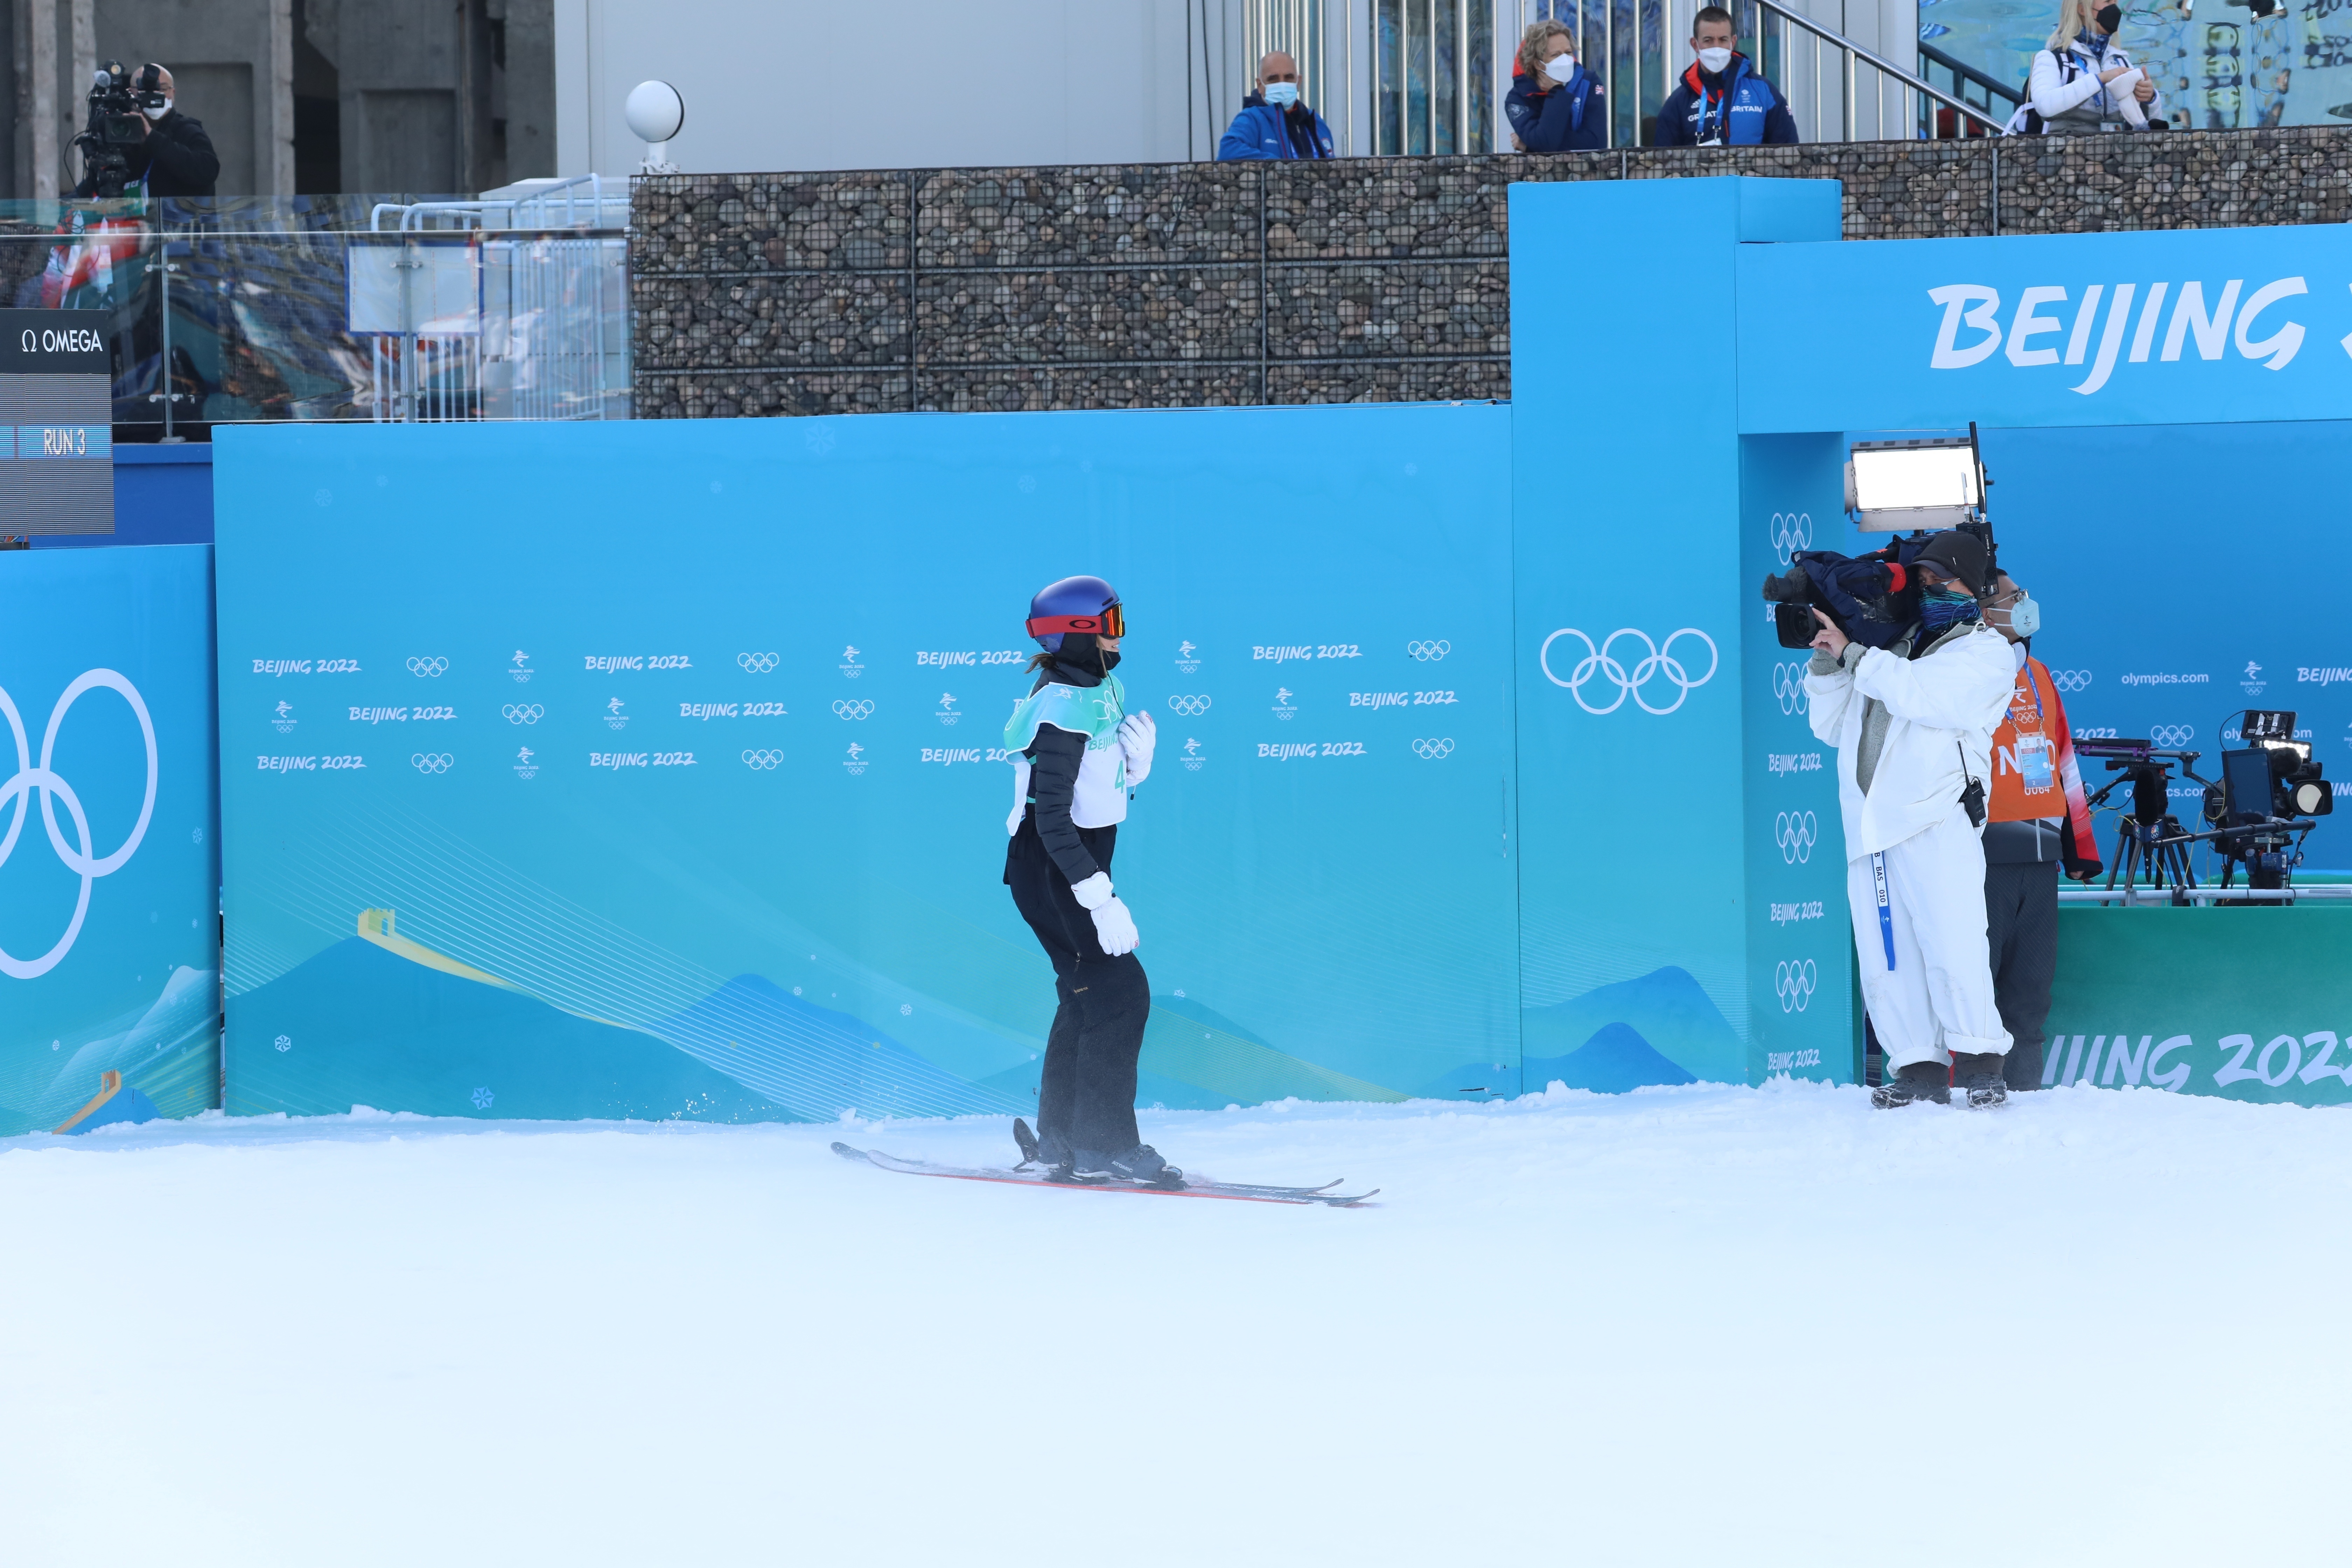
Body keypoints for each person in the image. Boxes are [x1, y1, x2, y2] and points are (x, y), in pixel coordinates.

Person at [1804, 531, 2017, 1108]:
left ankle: (1979, 1061)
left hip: (1936, 819)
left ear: (1972, 589)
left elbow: (1927, 699)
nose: (1928, 591)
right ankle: (1917, 1066)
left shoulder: (1986, 653)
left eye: (1940, 581)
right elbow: (1832, 728)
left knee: (1953, 943)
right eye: (1921, 581)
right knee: (1885, 957)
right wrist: (1829, 663)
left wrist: (1856, 656)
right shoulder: (1889, 652)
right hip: (1870, 826)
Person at [1002, 575, 1172, 1183]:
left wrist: (1136, 772)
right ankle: (1105, 1144)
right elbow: (1050, 819)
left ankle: (1062, 1140)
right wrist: (1100, 899)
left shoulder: (1096, 689)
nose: (1118, 639)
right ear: (1079, 633)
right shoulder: (1062, 708)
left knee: (1087, 999)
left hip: (1066, 865)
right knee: (1120, 995)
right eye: (1111, 626)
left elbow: (1089, 793)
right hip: (1054, 870)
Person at [1980, 570, 2102, 1092]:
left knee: (2031, 991)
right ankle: (1969, 1093)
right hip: (1979, 858)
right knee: (1974, 989)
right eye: (2013, 598)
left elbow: (2064, 763)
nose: (2026, 604)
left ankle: (2025, 1096)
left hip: (2041, 858)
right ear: (1985, 613)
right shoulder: (1955, 676)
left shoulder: (2042, 675)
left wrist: (2079, 846)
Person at [2004, 0, 2161, 134]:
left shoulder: (2120, 60)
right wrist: (2100, 79)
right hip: (2067, 159)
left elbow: (2150, 123)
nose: (2114, 9)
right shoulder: (2052, 58)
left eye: (2115, 2)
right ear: (2082, 9)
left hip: (2116, 158)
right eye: (2107, 1)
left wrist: (2150, 98)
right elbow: (2045, 106)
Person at [1653, 7, 1798, 146]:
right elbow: (1663, 160)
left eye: (1723, 40)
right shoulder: (1679, 101)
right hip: (1701, 173)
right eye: (1708, 40)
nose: (1716, 47)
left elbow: (1788, 150)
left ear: (1733, 42)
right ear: (1695, 45)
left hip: (1752, 172)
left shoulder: (1763, 91)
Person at [73, 64, 220, 198]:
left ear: (173, 93)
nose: (155, 96)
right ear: (131, 94)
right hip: (139, 225)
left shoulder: (187, 130)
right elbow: (95, 188)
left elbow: (208, 171)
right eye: (145, 91)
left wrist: (152, 138)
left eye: (162, 89)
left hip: (181, 224)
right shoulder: (122, 132)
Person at [1506, 20, 1606, 153]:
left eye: (1569, 52)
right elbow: (1545, 144)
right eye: (1556, 55)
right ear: (1538, 64)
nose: (1565, 60)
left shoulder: (1588, 82)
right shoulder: (1518, 98)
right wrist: (1558, 94)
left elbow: (1597, 143)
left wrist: (1530, 146)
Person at [1217, 51, 1336, 161]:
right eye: (1273, 79)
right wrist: (1276, 166)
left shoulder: (1315, 121)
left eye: (1289, 78)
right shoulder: (1252, 119)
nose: (1282, 84)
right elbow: (1228, 151)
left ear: (1298, 82)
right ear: (1260, 85)